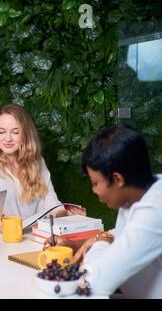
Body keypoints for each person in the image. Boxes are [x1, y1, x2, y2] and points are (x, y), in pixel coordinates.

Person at [50, 124, 162, 298]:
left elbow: (95, 284)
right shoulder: (138, 193)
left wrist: (101, 241)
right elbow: (126, 236)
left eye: (95, 183)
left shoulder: (155, 209)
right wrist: (81, 244)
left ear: (118, 179)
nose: (94, 191)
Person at [0, 104, 85, 223]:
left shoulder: (37, 162)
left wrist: (67, 214)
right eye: (2, 132)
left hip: (32, 239)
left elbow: (53, 204)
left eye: (15, 132)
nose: (8, 139)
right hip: (0, 239)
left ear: (25, 133)